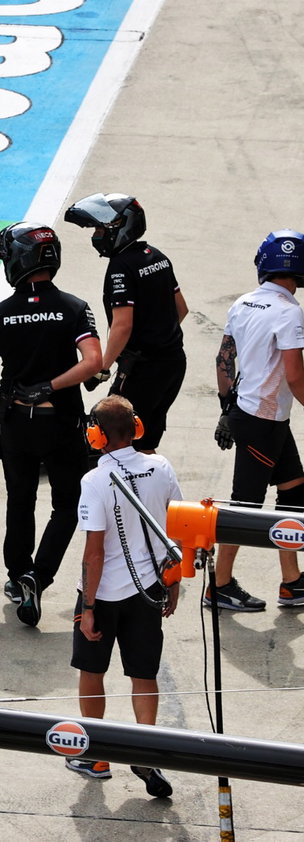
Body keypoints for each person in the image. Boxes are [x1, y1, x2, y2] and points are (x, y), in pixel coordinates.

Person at [0, 222, 103, 628]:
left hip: (16, 425)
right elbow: (93, 362)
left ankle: (16, 578)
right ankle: (39, 575)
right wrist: (53, 384)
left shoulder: (2, 314)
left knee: (20, 501)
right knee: (67, 506)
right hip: (61, 421)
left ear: (17, 261)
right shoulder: (74, 306)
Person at [68, 394, 179, 799]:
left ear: (96, 436)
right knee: (143, 674)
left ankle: (96, 754)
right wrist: (174, 581)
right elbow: (175, 528)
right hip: (149, 589)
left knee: (92, 672)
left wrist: (91, 607)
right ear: (136, 428)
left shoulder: (94, 480)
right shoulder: (161, 467)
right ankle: (145, 752)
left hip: (105, 595)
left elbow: (93, 553)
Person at [209, 230, 304, 611]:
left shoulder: (244, 302)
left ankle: (292, 582)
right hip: (264, 421)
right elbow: (295, 375)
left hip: (257, 416)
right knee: (244, 507)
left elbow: (223, 360)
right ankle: (219, 584)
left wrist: (225, 408)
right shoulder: (290, 312)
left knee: (295, 492)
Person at [64, 193, 187, 453]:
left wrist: (103, 366)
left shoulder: (120, 266)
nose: (96, 235)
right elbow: (181, 309)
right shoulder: (158, 256)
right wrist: (157, 331)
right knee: (144, 441)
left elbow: (122, 325)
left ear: (120, 227)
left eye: (100, 228)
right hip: (174, 364)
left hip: (142, 370)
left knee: (112, 441)